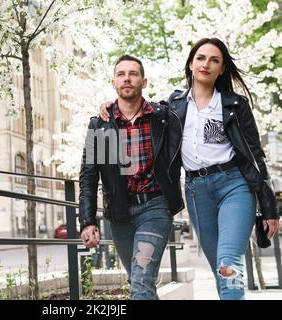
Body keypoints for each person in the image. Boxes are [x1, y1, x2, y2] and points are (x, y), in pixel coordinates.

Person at [99, 38, 280, 300]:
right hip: (197, 192)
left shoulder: (235, 105)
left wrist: (269, 205)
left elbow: (255, 156)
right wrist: (109, 105)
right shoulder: (173, 106)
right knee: (219, 268)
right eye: (201, 58)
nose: (206, 64)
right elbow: (137, 108)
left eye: (214, 60)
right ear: (191, 64)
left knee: (228, 263)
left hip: (234, 185)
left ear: (221, 69)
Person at [79, 54, 184, 300]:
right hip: (119, 213)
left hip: (156, 208)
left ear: (144, 82)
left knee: (141, 279)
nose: (127, 79)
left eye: (133, 74)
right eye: (121, 74)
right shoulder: (101, 125)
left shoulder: (162, 118)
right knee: (139, 280)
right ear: (113, 82)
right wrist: (88, 221)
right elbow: (88, 175)